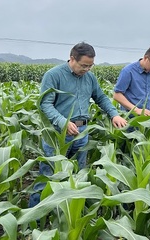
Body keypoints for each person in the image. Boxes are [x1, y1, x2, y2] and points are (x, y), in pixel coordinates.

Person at [30, 42, 127, 207]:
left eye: (90, 66)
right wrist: (63, 122)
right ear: (72, 58)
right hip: (57, 134)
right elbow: (45, 104)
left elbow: (101, 97)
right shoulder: (54, 75)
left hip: (82, 132)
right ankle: (35, 217)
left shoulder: (89, 77)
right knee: (49, 176)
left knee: (77, 175)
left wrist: (114, 114)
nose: (87, 69)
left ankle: (68, 213)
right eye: (83, 65)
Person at [113, 46, 150, 116]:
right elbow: (117, 95)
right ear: (145, 58)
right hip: (130, 117)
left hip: (147, 117)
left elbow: (147, 93)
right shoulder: (128, 71)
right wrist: (136, 110)